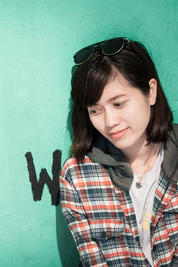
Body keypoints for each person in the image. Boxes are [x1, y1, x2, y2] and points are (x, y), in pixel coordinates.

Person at [60, 37, 178, 267]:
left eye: (119, 103)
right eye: (95, 110)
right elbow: (92, 260)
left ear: (150, 92)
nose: (110, 121)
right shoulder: (78, 175)